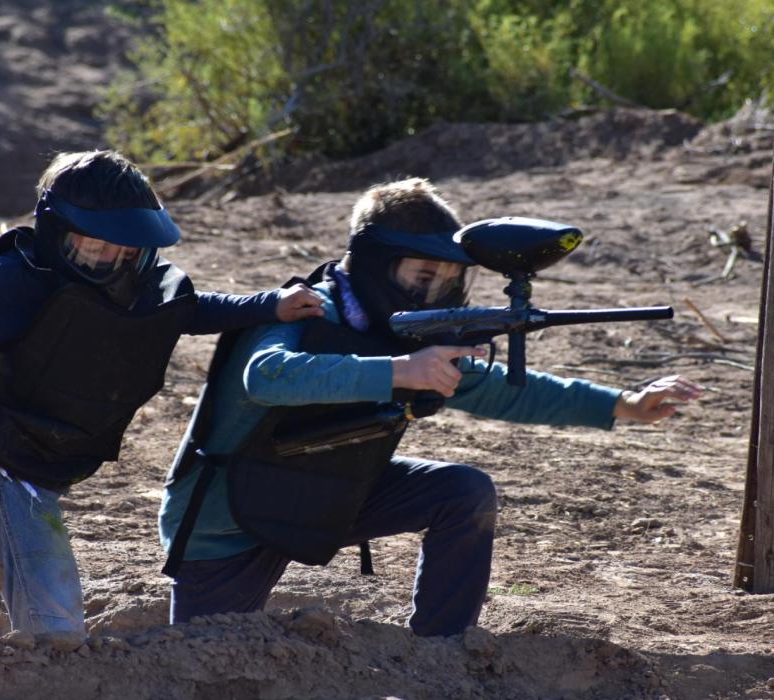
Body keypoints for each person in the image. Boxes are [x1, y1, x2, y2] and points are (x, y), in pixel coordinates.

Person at [159, 177, 701, 636]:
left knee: (462, 493)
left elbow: (502, 389)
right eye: (421, 277)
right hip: (228, 523)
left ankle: (440, 653)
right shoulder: (303, 308)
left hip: (330, 492)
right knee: (202, 661)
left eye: (448, 281)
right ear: (375, 265)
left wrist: (624, 405)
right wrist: (399, 371)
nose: (434, 293)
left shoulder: (406, 336)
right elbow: (267, 377)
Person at [0, 149, 324, 634]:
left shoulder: (148, 290)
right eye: (93, 248)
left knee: (58, 636)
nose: (112, 260)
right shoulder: (5, 279)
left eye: (126, 249)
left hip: (25, 480)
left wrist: (272, 304)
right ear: (56, 234)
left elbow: (195, 310)